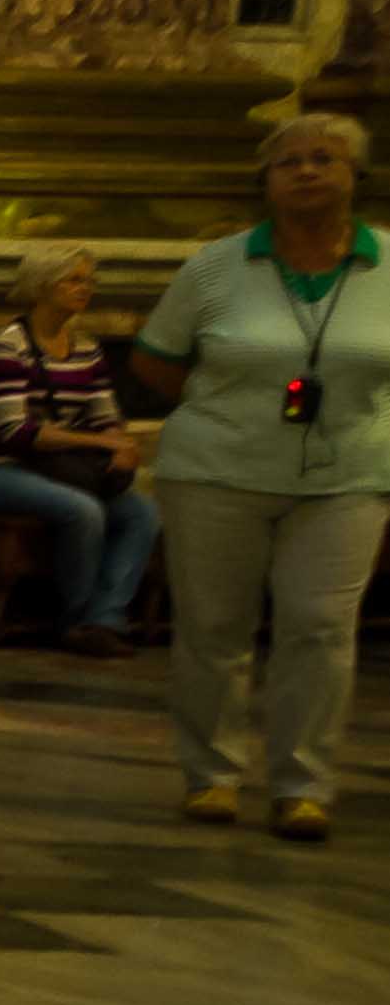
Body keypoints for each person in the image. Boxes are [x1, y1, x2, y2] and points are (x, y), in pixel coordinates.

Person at [128, 108, 385, 840]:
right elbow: (153, 358)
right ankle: (211, 776)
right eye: (288, 162)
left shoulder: (388, 265)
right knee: (214, 628)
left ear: (353, 176)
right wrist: (224, 412)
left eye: (323, 159)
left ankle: (302, 784)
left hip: (348, 473)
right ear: (265, 182)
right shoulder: (216, 265)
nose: (305, 171)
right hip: (216, 469)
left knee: (320, 627)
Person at [0, 245, 160, 653]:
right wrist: (101, 442)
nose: (84, 288)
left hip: (51, 466)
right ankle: (74, 621)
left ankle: (105, 619)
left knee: (141, 512)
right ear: (42, 286)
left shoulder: (86, 349)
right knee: (83, 510)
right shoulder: (7, 346)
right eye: (73, 279)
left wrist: (120, 444)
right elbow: (15, 431)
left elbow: (103, 412)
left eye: (89, 281)